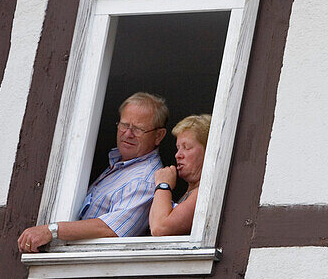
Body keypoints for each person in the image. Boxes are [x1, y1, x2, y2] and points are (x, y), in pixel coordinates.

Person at [18, 92, 167, 252]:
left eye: (138, 129)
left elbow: (112, 229)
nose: (128, 134)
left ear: (158, 136)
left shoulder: (145, 179)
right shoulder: (121, 164)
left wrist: (52, 230)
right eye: (124, 125)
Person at [150, 114, 210, 236]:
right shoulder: (192, 191)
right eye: (178, 148)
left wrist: (163, 185)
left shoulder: (204, 191)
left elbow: (159, 228)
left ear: (208, 150)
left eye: (186, 147)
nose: (178, 155)